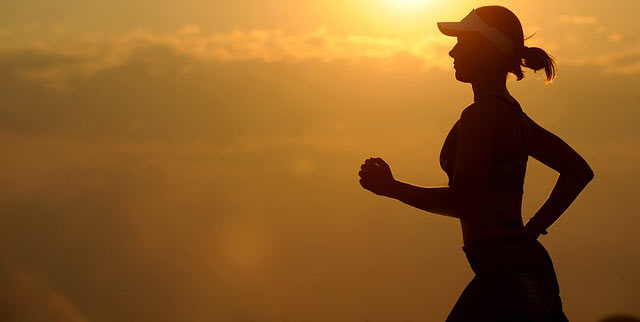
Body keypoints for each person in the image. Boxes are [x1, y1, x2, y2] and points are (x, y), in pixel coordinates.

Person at [357, 5, 594, 322]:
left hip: (508, 276)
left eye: (461, 42)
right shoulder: (511, 114)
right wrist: (531, 231)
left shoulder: (482, 116)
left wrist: (393, 188)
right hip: (518, 269)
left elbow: (463, 201)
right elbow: (578, 171)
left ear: (487, 49)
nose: (452, 52)